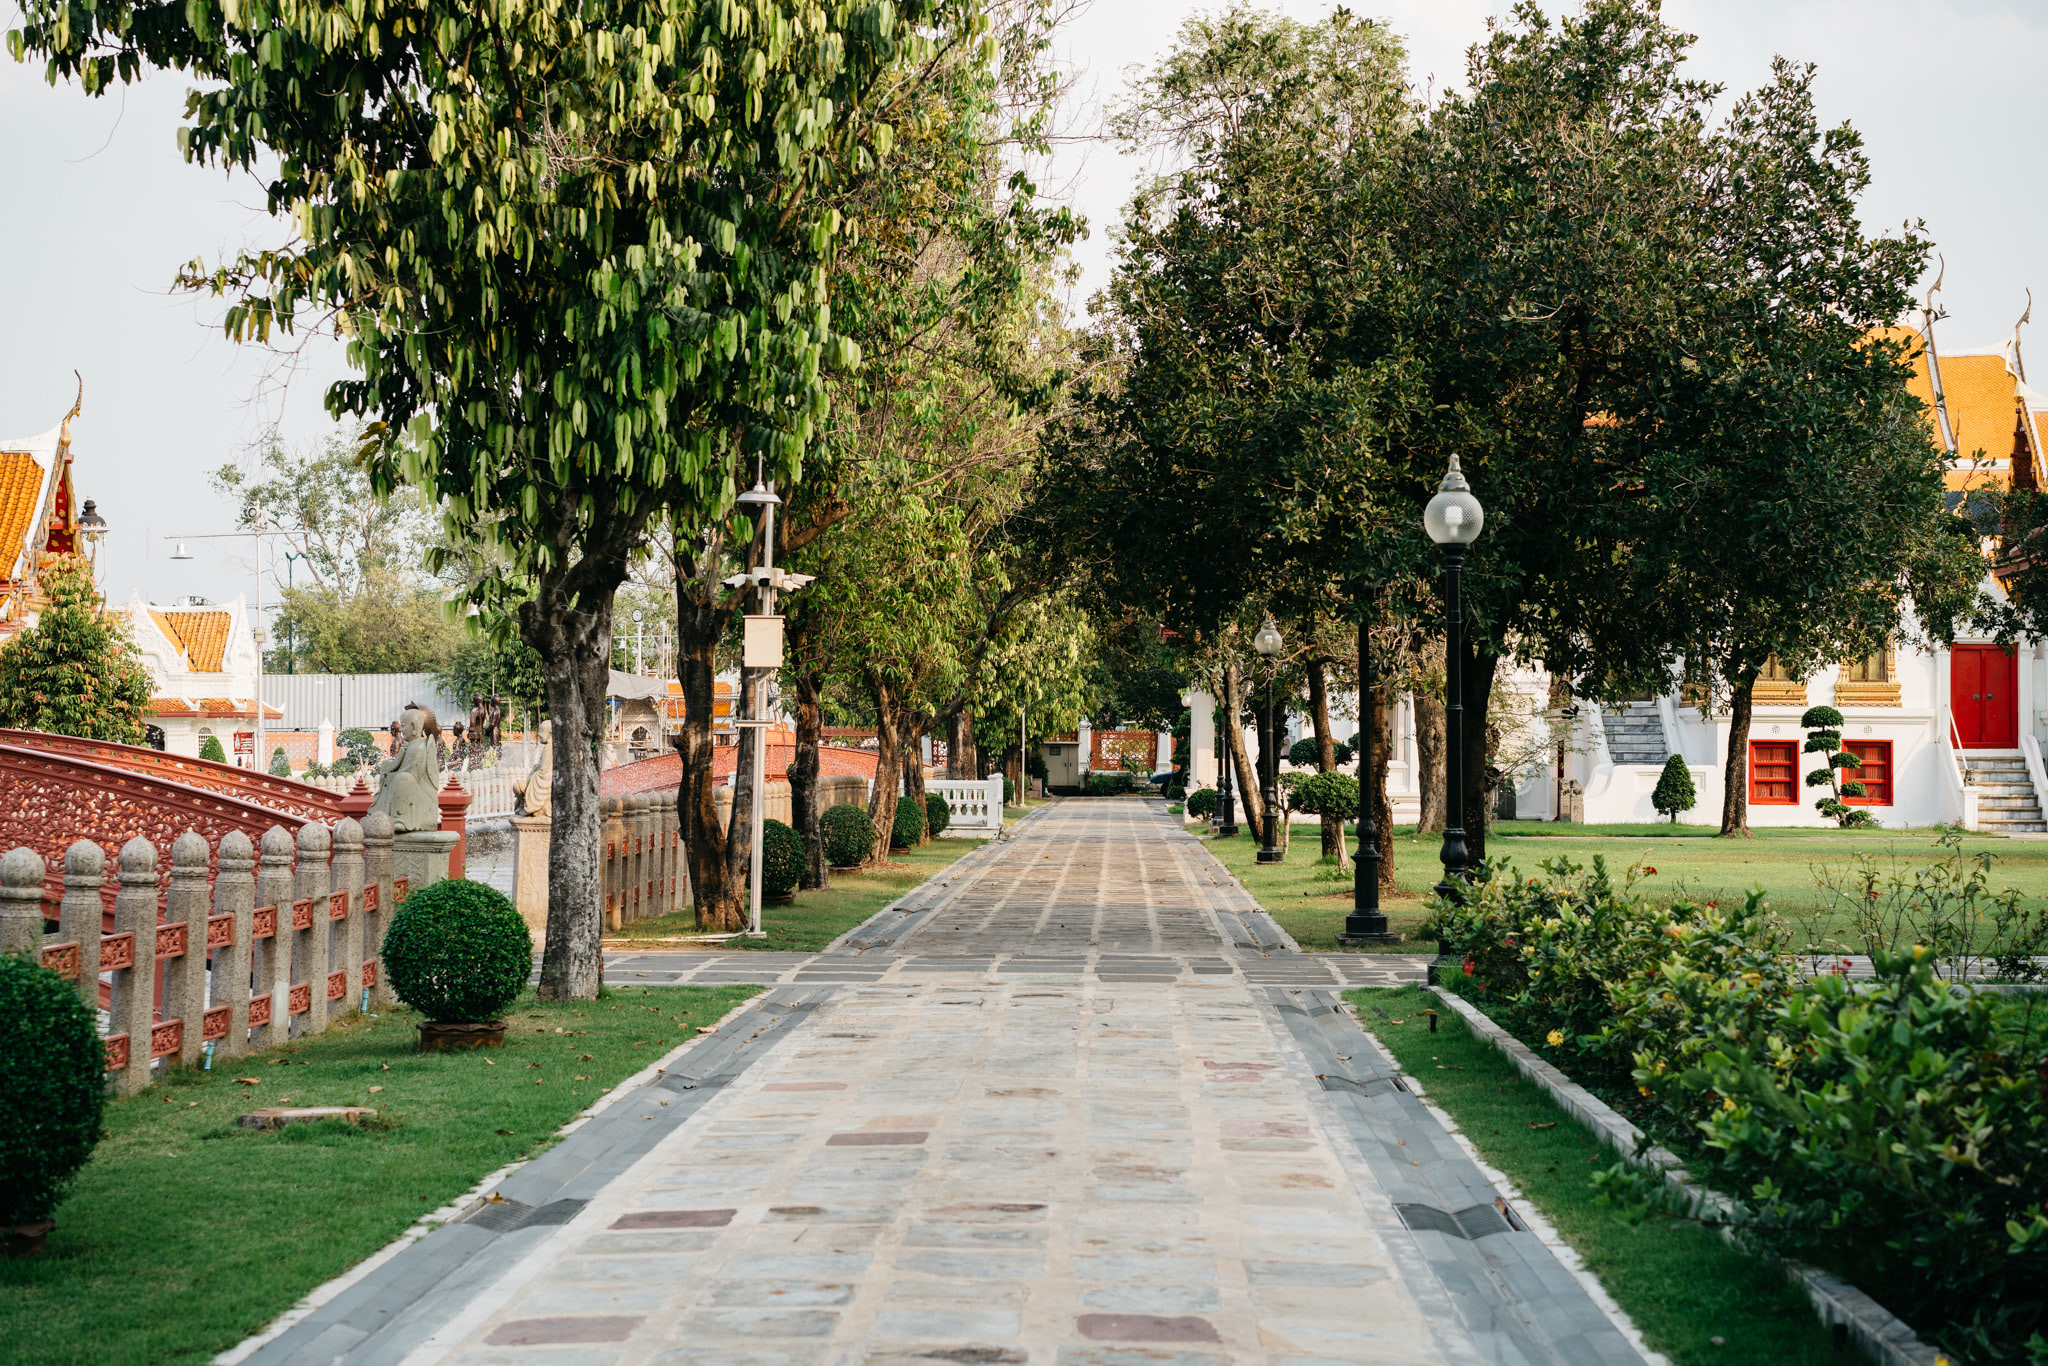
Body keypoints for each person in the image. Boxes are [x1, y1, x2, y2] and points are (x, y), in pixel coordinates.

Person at [369, 709, 442, 832]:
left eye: (403, 725)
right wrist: (396, 760)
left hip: (421, 799)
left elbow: (406, 775)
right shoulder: (410, 746)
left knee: (403, 778)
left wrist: (388, 771)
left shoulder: (418, 747)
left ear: (413, 726)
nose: (400, 730)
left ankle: (401, 819)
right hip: (414, 796)